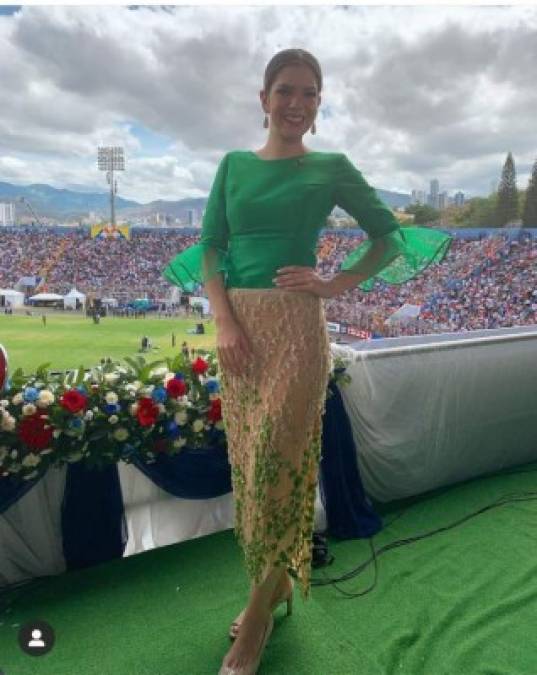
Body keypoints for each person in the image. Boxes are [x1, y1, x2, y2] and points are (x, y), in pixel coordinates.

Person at [163, 48, 452, 674]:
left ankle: (258, 614)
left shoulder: (331, 166)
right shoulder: (234, 165)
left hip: (297, 330)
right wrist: (225, 322)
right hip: (241, 334)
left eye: (309, 94)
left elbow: (389, 236)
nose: (296, 103)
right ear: (263, 99)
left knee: (278, 463)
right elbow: (212, 245)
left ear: (318, 107)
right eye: (285, 90)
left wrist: (335, 284)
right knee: (249, 467)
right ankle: (279, 582)